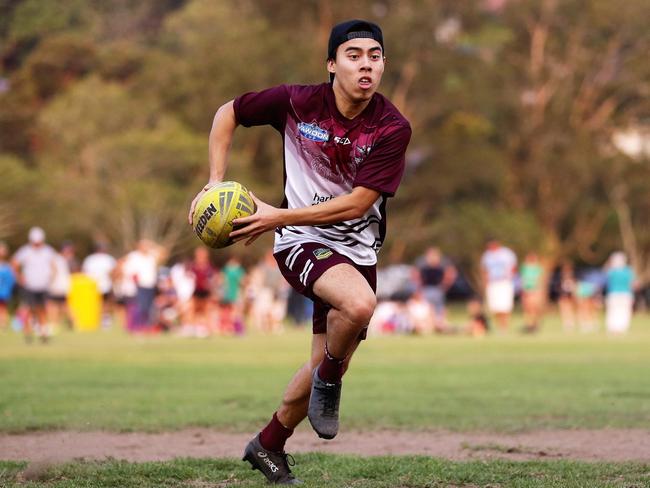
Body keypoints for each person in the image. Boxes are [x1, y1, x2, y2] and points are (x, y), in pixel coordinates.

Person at [188, 19, 410, 484]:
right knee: (360, 304)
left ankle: (268, 444)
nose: (366, 64)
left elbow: (358, 203)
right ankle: (329, 383)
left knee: (323, 359)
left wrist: (276, 214)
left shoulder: (391, 127)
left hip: (356, 249)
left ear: (383, 64)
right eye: (354, 55)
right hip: (300, 241)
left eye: (375, 55)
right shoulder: (297, 102)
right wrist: (215, 180)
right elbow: (227, 112)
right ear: (332, 64)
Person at [11, 227, 57, 342]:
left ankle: (43, 333)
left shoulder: (48, 251)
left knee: (42, 310)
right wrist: (19, 277)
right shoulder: (25, 251)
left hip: (43, 285)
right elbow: (14, 263)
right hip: (29, 286)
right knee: (28, 309)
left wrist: (51, 278)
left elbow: (53, 266)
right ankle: (28, 334)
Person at [414, 246, 457, 329]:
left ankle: (439, 325)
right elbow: (415, 274)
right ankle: (429, 325)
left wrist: (445, 285)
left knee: (439, 310)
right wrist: (419, 287)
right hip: (426, 289)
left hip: (438, 289)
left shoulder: (443, 262)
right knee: (427, 309)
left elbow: (451, 273)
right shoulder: (422, 263)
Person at [480, 238, 517, 331]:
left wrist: (509, 277)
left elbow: (513, 266)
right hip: (493, 282)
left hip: (504, 282)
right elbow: (485, 270)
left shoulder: (507, 253)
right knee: (495, 306)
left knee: (505, 305)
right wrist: (485, 282)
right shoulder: (487, 255)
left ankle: (505, 326)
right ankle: (499, 325)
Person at [82, 242, 117, 328]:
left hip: (100, 285)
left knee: (104, 303)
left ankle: (104, 320)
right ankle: (101, 320)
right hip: (94, 285)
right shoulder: (93, 259)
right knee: (102, 303)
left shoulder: (90, 259)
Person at [604, 251, 636, 334]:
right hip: (625, 294)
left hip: (614, 294)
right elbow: (632, 284)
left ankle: (613, 328)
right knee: (624, 311)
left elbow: (604, 273)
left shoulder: (611, 271)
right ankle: (622, 328)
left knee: (613, 311)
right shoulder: (628, 271)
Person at [519, 252, 545, 333]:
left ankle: (535, 324)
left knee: (535, 308)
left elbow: (540, 280)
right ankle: (528, 324)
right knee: (527, 308)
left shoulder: (538, 268)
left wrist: (539, 291)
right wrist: (524, 290)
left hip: (535, 290)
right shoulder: (524, 268)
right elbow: (522, 279)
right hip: (527, 290)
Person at [0, 242, 16, 329]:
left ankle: (3, 324)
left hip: (3, 291)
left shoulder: (8, 266)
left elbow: (11, 279)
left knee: (3, 308)